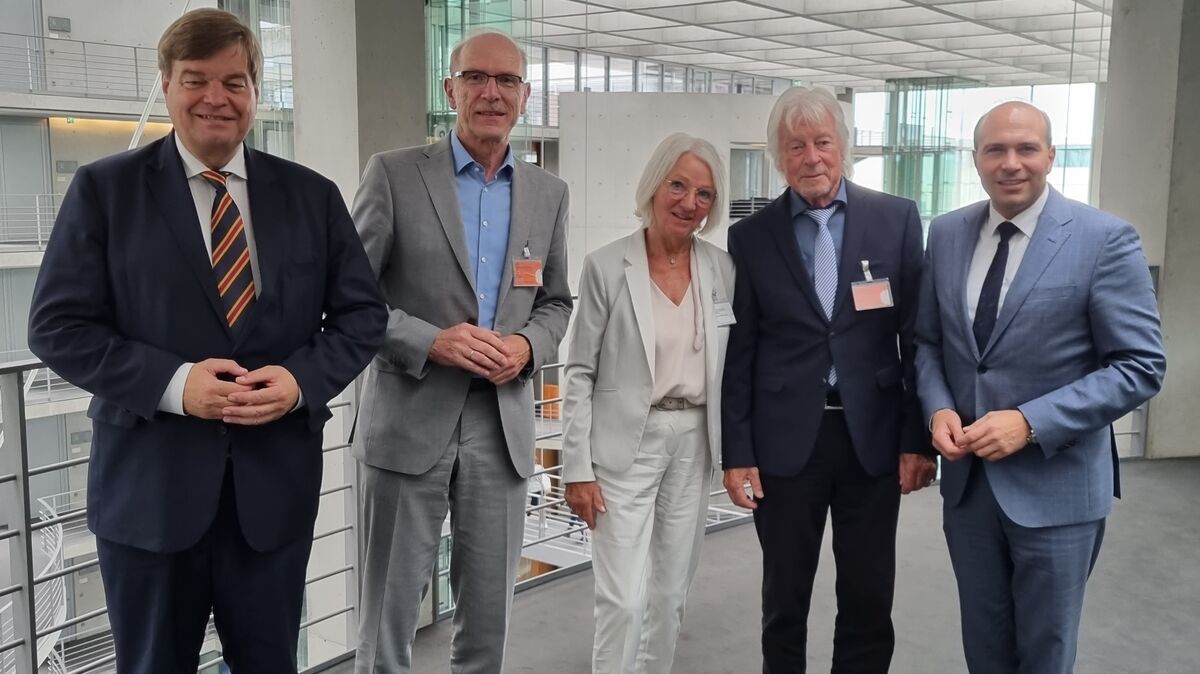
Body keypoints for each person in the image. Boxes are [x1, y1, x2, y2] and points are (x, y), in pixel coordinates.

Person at [25, 9, 386, 673]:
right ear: (166, 84)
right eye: (196, 79)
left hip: (272, 500)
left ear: (255, 93)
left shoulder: (312, 196)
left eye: (235, 82)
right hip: (149, 500)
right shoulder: (105, 191)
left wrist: (301, 381)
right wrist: (173, 385)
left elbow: (363, 315)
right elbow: (56, 328)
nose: (215, 98)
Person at [915, 100, 1166, 674]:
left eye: (1026, 148)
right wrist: (937, 411)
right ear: (975, 159)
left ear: (1050, 155)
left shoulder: (1105, 239)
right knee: (985, 648)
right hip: (970, 490)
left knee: (1045, 654)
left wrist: (1030, 423)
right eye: (995, 150)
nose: (1011, 163)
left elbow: (1140, 364)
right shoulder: (949, 233)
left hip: (1058, 491)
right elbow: (930, 344)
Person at [350, 29, 572, 673]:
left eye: (506, 81)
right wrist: (432, 341)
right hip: (407, 419)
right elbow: (352, 305)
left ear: (524, 96)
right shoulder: (392, 174)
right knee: (387, 622)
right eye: (476, 77)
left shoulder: (547, 194)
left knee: (488, 623)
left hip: (499, 427)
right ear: (450, 89)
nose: (491, 93)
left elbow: (558, 303)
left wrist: (527, 347)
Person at [721, 86, 936, 673]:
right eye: (796, 146)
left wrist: (916, 439)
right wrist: (737, 452)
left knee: (868, 598)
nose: (811, 157)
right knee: (783, 601)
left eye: (822, 143)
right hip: (786, 445)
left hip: (872, 440)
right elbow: (741, 352)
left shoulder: (895, 219)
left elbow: (916, 337)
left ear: (844, 147)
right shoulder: (751, 235)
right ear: (778, 156)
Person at [562, 133, 735, 674]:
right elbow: (580, 371)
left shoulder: (721, 268)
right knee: (623, 599)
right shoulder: (607, 266)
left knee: (668, 596)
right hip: (622, 449)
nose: (689, 202)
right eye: (678, 185)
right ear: (653, 187)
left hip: (694, 444)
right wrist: (576, 469)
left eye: (704, 194)